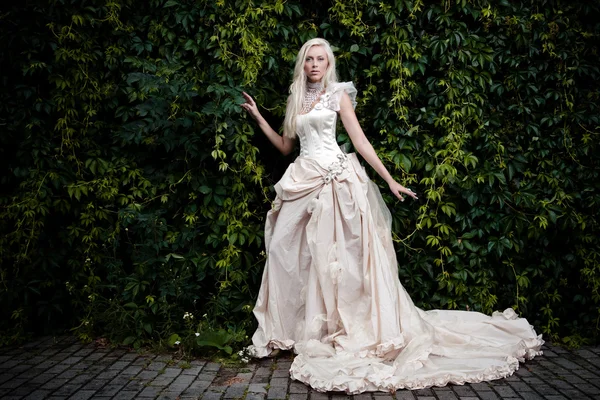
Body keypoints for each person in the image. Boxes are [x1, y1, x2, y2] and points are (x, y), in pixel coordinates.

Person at [240, 38, 543, 394]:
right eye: (310, 59)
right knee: (284, 250)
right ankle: (294, 330)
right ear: (302, 64)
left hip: (338, 182)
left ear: (329, 64)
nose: (315, 65)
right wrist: (259, 117)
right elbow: (287, 147)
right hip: (304, 179)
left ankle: (345, 329)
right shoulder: (296, 97)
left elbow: (361, 141)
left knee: (342, 262)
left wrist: (390, 180)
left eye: (321, 59)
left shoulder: (338, 95)